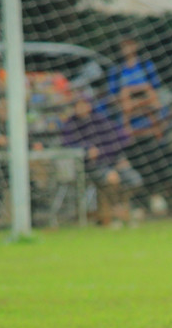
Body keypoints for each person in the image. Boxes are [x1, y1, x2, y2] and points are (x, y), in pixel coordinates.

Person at [59, 93, 143, 228]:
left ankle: (120, 211)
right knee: (111, 179)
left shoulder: (101, 121)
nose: (81, 108)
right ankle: (113, 216)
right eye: (78, 105)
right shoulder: (71, 125)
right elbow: (66, 145)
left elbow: (124, 139)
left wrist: (120, 158)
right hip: (88, 167)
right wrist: (86, 149)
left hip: (113, 161)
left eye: (84, 104)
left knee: (134, 179)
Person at [107, 37, 164, 138]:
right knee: (125, 93)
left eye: (130, 44)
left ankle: (159, 138)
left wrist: (137, 97)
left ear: (136, 45)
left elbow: (155, 89)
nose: (127, 48)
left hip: (146, 102)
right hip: (126, 105)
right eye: (124, 45)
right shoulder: (116, 70)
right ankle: (127, 137)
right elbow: (113, 95)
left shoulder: (146, 66)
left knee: (148, 93)